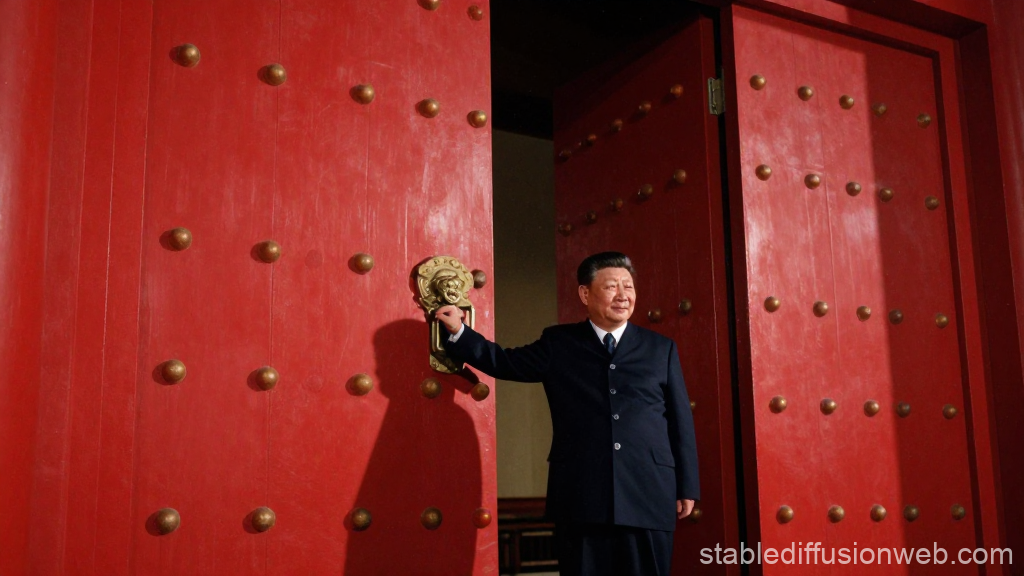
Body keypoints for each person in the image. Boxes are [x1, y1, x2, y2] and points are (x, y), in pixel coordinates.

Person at [434, 251, 699, 576]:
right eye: (612, 286)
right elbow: (506, 362)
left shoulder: (661, 348)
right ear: (585, 294)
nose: (623, 295)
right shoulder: (559, 343)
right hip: (582, 495)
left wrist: (687, 485)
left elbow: (679, 422)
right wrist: (460, 333)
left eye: (628, 287)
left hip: (648, 492)